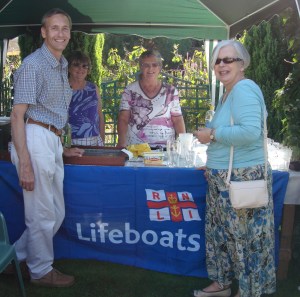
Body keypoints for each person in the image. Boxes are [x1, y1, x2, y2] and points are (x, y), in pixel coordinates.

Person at [193, 40, 275, 297]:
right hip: (225, 176)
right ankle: (222, 284)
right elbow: (233, 137)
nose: (221, 65)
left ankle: (249, 291)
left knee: (245, 240)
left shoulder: (244, 89)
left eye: (228, 59)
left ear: (242, 64)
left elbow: (250, 132)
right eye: (218, 60)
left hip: (242, 177)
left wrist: (212, 134)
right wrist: (214, 162)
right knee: (222, 236)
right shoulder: (228, 92)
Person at [9, 8, 84, 287]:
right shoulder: (33, 65)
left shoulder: (62, 64)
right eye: (54, 28)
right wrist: (25, 162)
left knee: (55, 212)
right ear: (43, 32)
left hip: (50, 139)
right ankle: (40, 271)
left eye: (65, 28)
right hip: (34, 139)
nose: (60, 33)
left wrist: (59, 144)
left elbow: (51, 111)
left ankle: (15, 257)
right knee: (41, 213)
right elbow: (19, 115)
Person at [117, 50, 186, 149]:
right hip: (136, 149)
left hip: (165, 150)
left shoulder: (170, 91)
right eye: (146, 65)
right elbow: (123, 118)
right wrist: (122, 142)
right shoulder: (130, 90)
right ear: (140, 67)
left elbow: (178, 119)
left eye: (154, 65)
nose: (150, 69)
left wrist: (183, 145)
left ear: (160, 67)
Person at [68, 51, 105, 146]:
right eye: (76, 65)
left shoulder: (93, 88)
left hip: (94, 140)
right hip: (68, 142)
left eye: (85, 66)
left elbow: (100, 115)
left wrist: (102, 141)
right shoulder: (62, 88)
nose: (81, 69)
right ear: (69, 68)